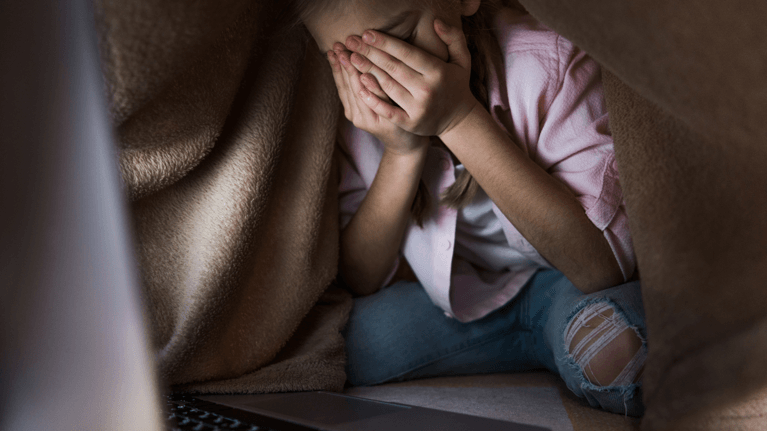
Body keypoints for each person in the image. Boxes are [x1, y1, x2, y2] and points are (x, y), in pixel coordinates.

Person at [294, 0, 648, 416]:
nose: (379, 80)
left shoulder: (548, 61)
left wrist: (457, 118)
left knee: (619, 350)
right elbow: (361, 276)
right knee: (343, 346)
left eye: (400, 41)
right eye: (347, 60)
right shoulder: (358, 106)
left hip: (568, 284)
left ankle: (557, 334)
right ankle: (536, 343)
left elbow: (603, 269)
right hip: (462, 297)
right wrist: (402, 151)